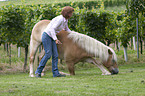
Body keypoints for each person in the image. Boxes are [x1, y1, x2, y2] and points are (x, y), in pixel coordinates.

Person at [35, 6, 74, 78]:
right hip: (47, 36)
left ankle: (55, 73)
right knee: (48, 54)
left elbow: (66, 29)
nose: (72, 15)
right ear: (67, 13)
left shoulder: (65, 20)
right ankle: (38, 72)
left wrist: (73, 34)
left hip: (51, 37)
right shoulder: (60, 19)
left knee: (55, 55)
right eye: (71, 13)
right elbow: (52, 29)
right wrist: (55, 39)